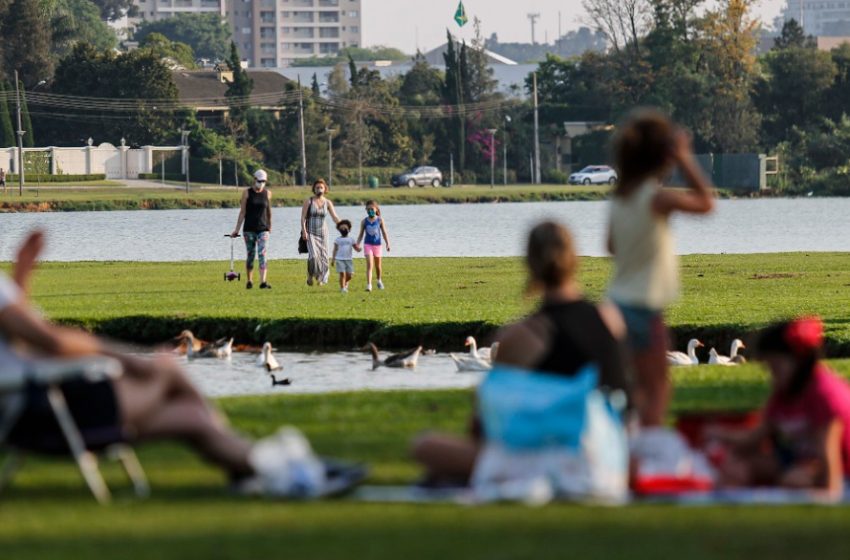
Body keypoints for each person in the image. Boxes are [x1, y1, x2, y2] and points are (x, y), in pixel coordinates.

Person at [0, 231, 363, 498]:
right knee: (166, 366)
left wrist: (21, 279)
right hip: (44, 410)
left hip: (38, 408)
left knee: (193, 418)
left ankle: (265, 472)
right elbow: (47, 340)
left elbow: (17, 341)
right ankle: (283, 473)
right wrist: (126, 358)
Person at [412, 221, 630, 485]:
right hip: (613, 456)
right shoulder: (611, 319)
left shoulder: (522, 335)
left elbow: (484, 424)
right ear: (574, 259)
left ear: (530, 264)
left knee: (425, 446)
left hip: (557, 459)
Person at [607, 109, 715, 428]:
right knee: (657, 388)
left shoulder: (620, 198)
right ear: (662, 157)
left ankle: (626, 445)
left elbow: (611, 246)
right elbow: (706, 203)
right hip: (644, 306)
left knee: (628, 388)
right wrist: (684, 157)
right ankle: (648, 449)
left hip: (615, 303)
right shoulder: (657, 199)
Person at [707, 318, 850, 498]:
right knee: (737, 468)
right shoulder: (783, 393)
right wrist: (720, 434)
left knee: (795, 480)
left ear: (799, 361)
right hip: (798, 461)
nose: (772, 375)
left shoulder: (824, 394)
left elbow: (828, 456)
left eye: (775, 367)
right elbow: (756, 437)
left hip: (839, 470)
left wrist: (828, 498)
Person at [230, 169, 273, 290]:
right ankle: (249, 280)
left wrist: (270, 225)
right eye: (259, 181)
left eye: (264, 181)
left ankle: (263, 282)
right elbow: (242, 212)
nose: (261, 183)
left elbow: (269, 211)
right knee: (250, 254)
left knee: (262, 254)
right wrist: (236, 229)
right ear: (254, 180)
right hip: (249, 229)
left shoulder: (267, 193)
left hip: (263, 228)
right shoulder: (247, 193)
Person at [300, 179, 341, 287]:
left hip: (323, 233)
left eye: (321, 187)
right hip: (311, 232)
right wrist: (304, 231)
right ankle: (310, 274)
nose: (319, 189)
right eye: (317, 187)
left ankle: (322, 279)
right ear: (314, 189)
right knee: (313, 256)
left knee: (324, 257)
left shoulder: (327, 203)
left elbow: (335, 217)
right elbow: (303, 217)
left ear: (325, 189)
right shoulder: (309, 201)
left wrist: (342, 225)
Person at [353, 200, 391, 292]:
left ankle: (379, 280)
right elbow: (361, 234)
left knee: (378, 266)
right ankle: (369, 285)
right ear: (366, 210)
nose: (370, 211)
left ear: (376, 209)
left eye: (372, 209)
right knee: (370, 265)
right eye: (368, 209)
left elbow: (384, 232)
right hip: (368, 245)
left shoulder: (380, 220)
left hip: (377, 245)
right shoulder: (364, 221)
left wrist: (387, 243)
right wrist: (357, 244)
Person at [331, 220, 356, 293]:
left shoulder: (351, 239)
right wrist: (333, 260)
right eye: (341, 228)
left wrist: (359, 248)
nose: (343, 230)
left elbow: (356, 247)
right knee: (342, 273)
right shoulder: (337, 240)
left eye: (345, 228)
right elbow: (334, 250)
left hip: (349, 259)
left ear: (349, 229)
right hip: (339, 259)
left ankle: (344, 283)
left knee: (350, 275)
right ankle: (342, 288)